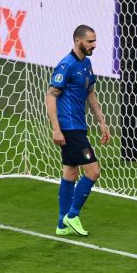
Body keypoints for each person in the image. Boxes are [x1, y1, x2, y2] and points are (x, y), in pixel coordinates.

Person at [45, 25, 110, 237]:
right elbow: (51, 96)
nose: (94, 45)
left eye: (95, 40)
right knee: (93, 171)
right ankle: (72, 215)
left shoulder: (87, 64)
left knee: (70, 172)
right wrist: (56, 128)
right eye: (90, 41)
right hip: (70, 128)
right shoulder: (66, 65)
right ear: (77, 41)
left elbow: (90, 93)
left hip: (79, 126)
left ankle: (62, 224)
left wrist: (101, 121)